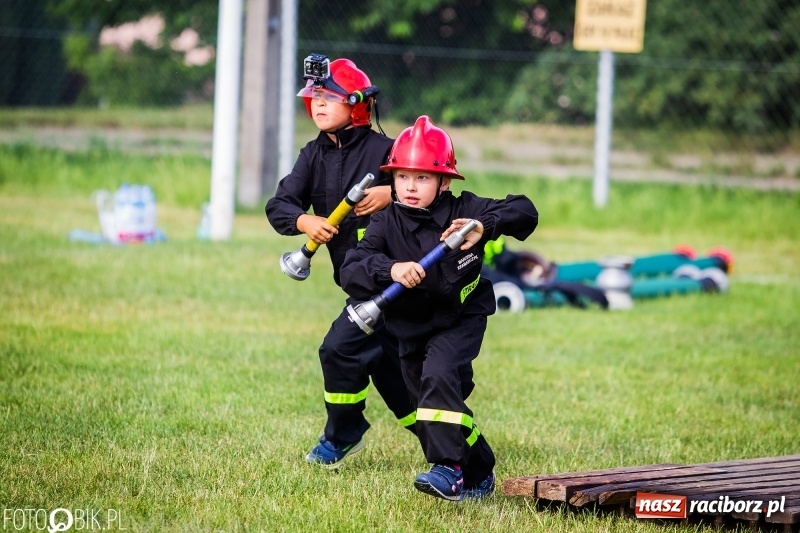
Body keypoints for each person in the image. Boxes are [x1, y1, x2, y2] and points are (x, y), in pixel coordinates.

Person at [340, 115, 538, 500]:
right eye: (402, 177)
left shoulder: (466, 209)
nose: (410, 187)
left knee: (439, 377)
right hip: (409, 328)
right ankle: (480, 473)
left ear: (444, 181)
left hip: (460, 319)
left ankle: (447, 469)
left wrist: (486, 225)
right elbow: (352, 269)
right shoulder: (384, 223)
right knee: (433, 407)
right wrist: (391, 268)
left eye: (423, 178)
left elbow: (525, 209)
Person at [265, 54, 416, 468]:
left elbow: (434, 191)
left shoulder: (389, 151)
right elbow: (279, 204)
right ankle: (443, 448)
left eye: (329, 97)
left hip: (400, 284)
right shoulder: (312, 155)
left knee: (343, 350)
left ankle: (348, 435)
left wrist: (394, 193)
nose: (318, 104)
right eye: (313, 97)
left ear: (358, 105)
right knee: (392, 377)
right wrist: (304, 220)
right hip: (360, 285)